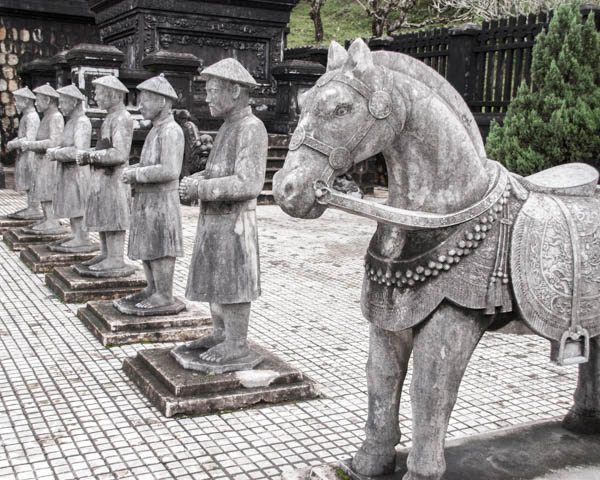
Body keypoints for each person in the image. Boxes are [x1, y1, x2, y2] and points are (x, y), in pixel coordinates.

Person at [180, 58, 268, 366]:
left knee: (233, 282)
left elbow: (249, 182)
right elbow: (218, 170)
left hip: (235, 223)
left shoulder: (251, 128)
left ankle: (236, 342)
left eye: (213, 90)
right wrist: (197, 179)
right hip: (215, 220)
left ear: (234, 91)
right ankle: (220, 332)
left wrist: (201, 189)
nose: (207, 97)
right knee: (215, 279)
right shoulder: (228, 127)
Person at [114, 74, 184, 313]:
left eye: (145, 100)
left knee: (160, 247)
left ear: (163, 102)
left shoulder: (171, 131)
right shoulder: (155, 130)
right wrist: (134, 169)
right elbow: (149, 162)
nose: (140, 105)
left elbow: (170, 170)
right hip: (147, 199)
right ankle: (152, 287)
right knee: (147, 245)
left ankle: (164, 294)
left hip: (162, 200)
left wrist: (137, 175)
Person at [76, 75, 133, 275]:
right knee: (104, 215)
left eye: (100, 93)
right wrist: (93, 154)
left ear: (115, 95)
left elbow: (119, 153)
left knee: (113, 216)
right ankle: (106, 253)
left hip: (114, 178)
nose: (96, 97)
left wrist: (90, 156)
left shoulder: (122, 118)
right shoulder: (110, 117)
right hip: (104, 177)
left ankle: (116, 258)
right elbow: (105, 147)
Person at [45, 84, 95, 252]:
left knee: (77, 205)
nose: (60, 106)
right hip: (68, 171)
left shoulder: (82, 122)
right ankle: (76, 234)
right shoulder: (71, 121)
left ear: (74, 102)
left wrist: (56, 154)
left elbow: (78, 151)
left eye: (64, 102)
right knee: (71, 204)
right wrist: (57, 151)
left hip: (77, 172)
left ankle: (82, 237)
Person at [20, 83, 64, 234]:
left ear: (48, 100)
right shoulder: (46, 117)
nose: (36, 103)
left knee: (47, 191)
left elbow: (54, 142)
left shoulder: (56, 117)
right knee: (41, 189)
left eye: (38, 100)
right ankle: (47, 218)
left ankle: (51, 220)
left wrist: (32, 144)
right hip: (41, 159)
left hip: (49, 160)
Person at [5, 87, 41, 220]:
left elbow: (29, 139)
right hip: (24, 153)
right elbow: (23, 136)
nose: (15, 104)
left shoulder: (32, 117)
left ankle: (34, 207)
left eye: (17, 101)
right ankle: (31, 206)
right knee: (27, 181)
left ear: (26, 101)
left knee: (31, 181)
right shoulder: (26, 116)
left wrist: (14, 144)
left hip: (30, 154)